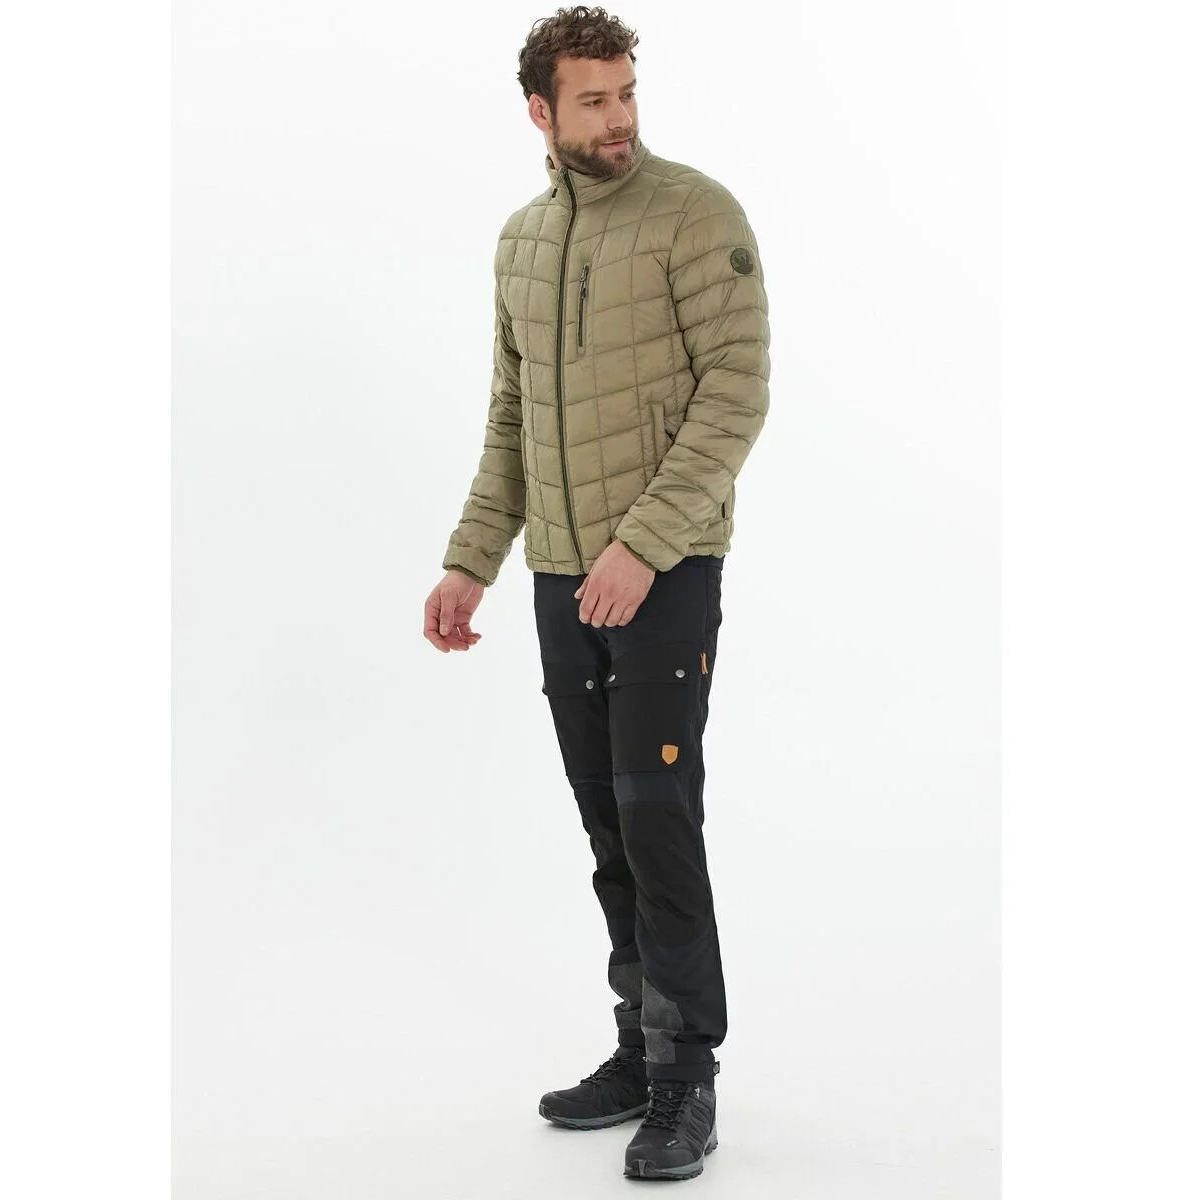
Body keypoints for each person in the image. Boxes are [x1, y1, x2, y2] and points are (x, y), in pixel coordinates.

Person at [423, 5, 770, 1182]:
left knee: (658, 819)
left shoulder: (695, 215)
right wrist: (472, 559)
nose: (619, 119)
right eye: (593, 100)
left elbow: (736, 395)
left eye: (627, 95)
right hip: (561, 578)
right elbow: (511, 419)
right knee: (606, 824)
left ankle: (686, 1079)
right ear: (541, 111)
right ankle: (638, 1045)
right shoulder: (522, 242)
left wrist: (643, 546)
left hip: (663, 574)